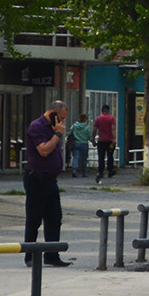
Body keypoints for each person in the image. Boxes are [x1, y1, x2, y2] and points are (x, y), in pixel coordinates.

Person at [23, 100, 72, 267]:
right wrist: (57, 135)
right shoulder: (37, 127)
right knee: (34, 217)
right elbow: (43, 150)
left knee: (54, 217)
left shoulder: (53, 128)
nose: (63, 122)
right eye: (61, 117)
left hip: (51, 180)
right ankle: (29, 255)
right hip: (37, 178)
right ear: (53, 114)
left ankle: (52, 254)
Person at [94, 104, 117, 181]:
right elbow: (113, 129)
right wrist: (114, 139)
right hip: (109, 141)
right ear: (108, 110)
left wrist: (93, 139)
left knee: (101, 157)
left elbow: (94, 129)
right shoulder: (111, 118)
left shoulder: (98, 119)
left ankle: (100, 172)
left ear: (102, 110)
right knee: (110, 156)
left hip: (101, 140)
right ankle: (110, 171)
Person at [68, 113, 94, 177]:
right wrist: (93, 142)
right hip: (84, 144)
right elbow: (90, 137)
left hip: (76, 143)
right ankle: (84, 172)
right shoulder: (87, 127)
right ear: (85, 120)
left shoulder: (74, 126)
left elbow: (70, 133)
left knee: (75, 157)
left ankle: (74, 169)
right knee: (84, 159)